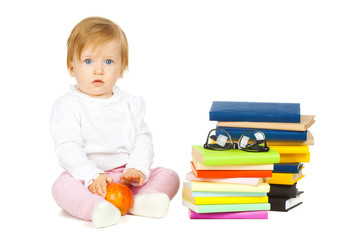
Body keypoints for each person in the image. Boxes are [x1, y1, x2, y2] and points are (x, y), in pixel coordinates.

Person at [50, 16, 180, 228]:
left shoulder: (132, 104)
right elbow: (68, 147)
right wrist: (92, 176)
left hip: (125, 176)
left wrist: (137, 169)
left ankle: (140, 202)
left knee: (168, 175)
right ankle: (96, 208)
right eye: (88, 61)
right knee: (61, 186)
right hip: (86, 178)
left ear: (121, 69)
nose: (98, 70)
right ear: (72, 67)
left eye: (108, 61)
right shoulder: (67, 105)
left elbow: (142, 140)